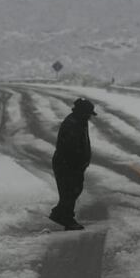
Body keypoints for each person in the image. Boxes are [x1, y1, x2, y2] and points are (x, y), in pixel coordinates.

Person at [49, 98, 96, 230]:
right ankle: (65, 218)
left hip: (72, 165)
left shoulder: (79, 121)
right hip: (67, 164)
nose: (90, 117)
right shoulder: (72, 124)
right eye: (88, 114)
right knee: (69, 191)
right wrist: (76, 164)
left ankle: (60, 213)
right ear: (82, 112)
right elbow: (70, 148)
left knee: (73, 191)